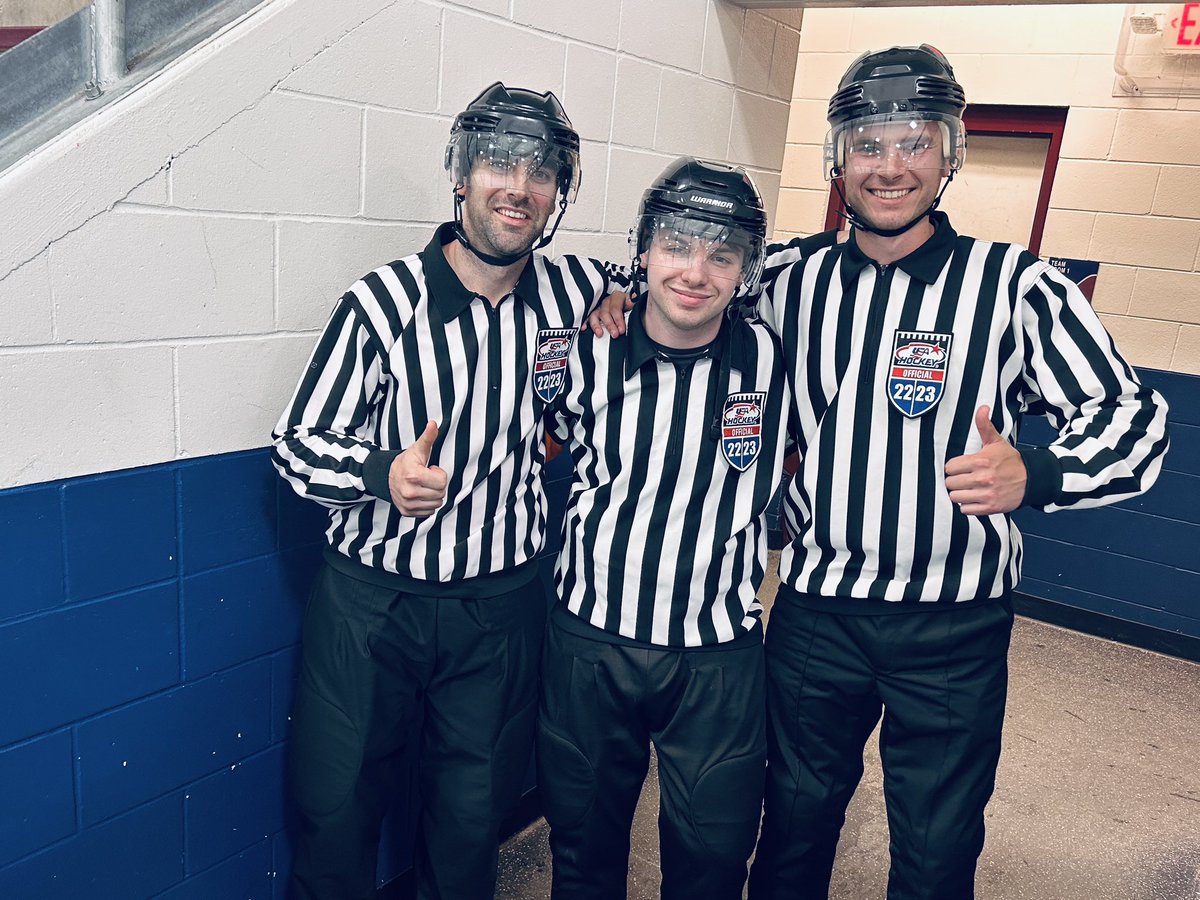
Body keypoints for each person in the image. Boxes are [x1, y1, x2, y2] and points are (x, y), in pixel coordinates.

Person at [737, 45, 1171, 900]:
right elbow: (673, 280)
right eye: (868, 143)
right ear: (837, 157)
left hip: (954, 625)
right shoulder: (788, 279)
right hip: (818, 612)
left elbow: (1136, 423)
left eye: (915, 141)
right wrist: (613, 298)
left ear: (950, 153)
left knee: (936, 856)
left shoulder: (1016, 286)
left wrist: (1038, 474)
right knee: (789, 829)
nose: (891, 166)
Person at [271, 82, 626, 900]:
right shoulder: (380, 303)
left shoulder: (571, 290)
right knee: (336, 815)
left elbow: (658, 274)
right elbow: (295, 445)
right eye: (499, 162)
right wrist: (376, 473)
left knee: (471, 826)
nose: (520, 186)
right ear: (460, 174)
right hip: (373, 608)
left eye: (542, 173)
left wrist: (621, 294)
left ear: (558, 194)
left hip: (498, 612)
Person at [536, 158, 789, 900]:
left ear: (747, 269)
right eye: (677, 245)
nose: (695, 271)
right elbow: (543, 443)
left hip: (716, 653)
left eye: (721, 254)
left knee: (711, 863)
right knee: (582, 852)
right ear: (643, 250)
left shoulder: (773, 358)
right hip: (592, 641)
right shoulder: (588, 349)